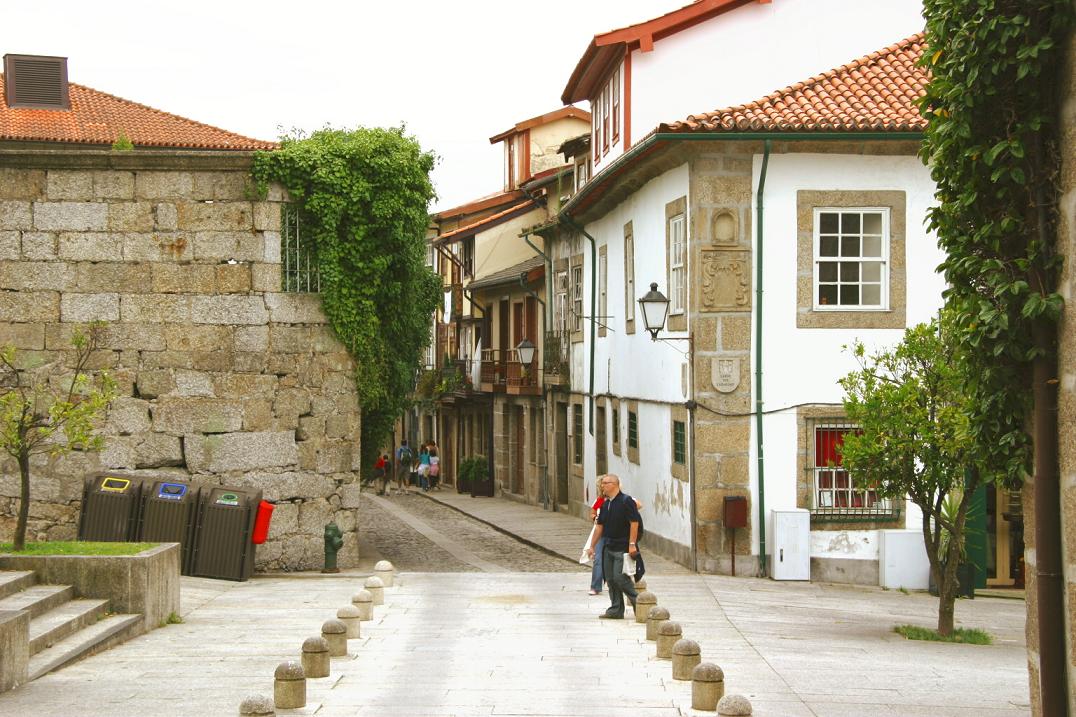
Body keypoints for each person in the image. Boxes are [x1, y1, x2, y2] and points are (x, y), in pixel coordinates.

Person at [585, 474, 640, 619]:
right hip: (608, 547)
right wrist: (592, 546)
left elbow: (634, 523)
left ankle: (639, 604)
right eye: (602, 483)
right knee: (610, 578)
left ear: (614, 484)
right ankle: (616, 609)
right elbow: (599, 527)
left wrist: (632, 544)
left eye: (605, 483)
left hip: (622, 546)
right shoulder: (605, 503)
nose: (602, 486)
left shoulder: (626, 501)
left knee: (620, 578)